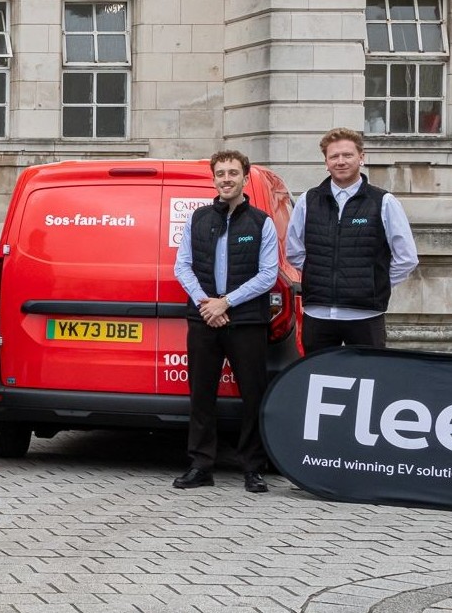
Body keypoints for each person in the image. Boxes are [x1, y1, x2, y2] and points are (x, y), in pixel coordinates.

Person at [171, 150, 278, 493]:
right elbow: (182, 265)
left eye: (233, 173)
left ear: (245, 177)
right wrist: (206, 303)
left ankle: (253, 467)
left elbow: (268, 275)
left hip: (245, 320)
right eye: (221, 173)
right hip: (204, 318)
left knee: (253, 395)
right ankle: (201, 465)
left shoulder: (261, 222)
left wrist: (225, 302)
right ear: (213, 178)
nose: (226, 179)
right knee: (201, 394)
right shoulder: (198, 219)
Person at [286, 127, 418, 352]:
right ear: (326, 162)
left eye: (347, 155)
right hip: (318, 314)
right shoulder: (308, 201)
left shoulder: (384, 202)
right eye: (334, 156)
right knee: (318, 372)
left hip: (365, 315)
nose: (341, 161)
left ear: (361, 157)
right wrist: (321, 276)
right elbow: (294, 251)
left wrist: (374, 283)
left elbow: (407, 258)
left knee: (369, 372)